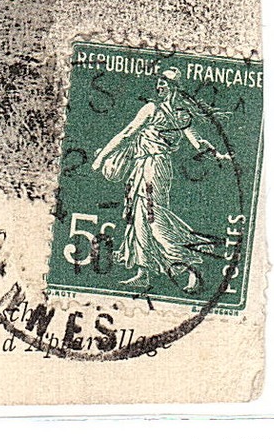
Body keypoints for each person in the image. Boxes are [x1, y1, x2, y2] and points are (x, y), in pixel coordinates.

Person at [92, 66, 229, 291]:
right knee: (139, 219)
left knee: (153, 219)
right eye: (158, 82)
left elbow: (127, 133)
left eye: (164, 82)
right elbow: (198, 142)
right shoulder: (175, 113)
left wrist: (101, 158)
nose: (159, 86)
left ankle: (191, 259)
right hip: (146, 166)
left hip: (153, 167)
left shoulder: (158, 110)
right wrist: (216, 154)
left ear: (175, 87)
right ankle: (143, 272)